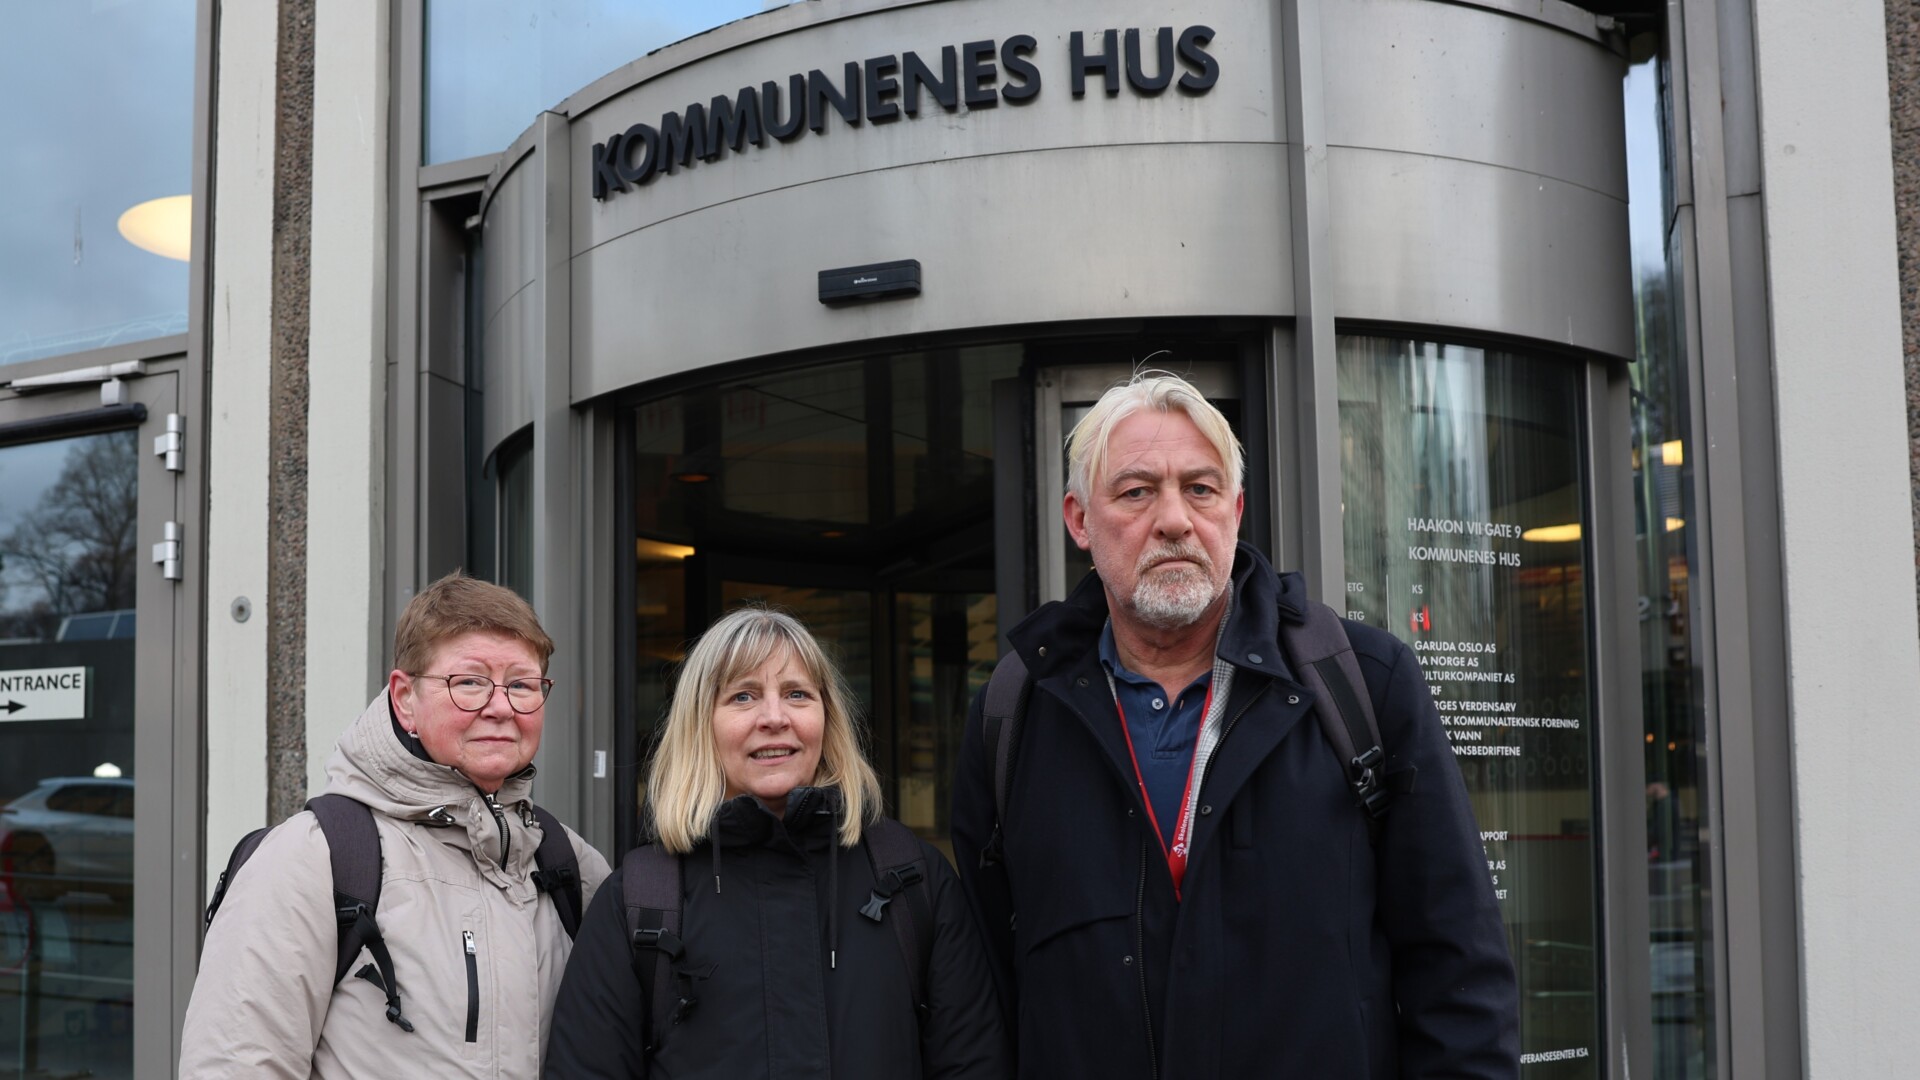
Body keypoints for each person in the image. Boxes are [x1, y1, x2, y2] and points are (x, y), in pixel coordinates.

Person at [951, 372, 1519, 1078]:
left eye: (1200, 488)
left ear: (1236, 509)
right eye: (1136, 491)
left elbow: (1459, 977)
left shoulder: (1364, 684)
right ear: (1078, 520)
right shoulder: (1013, 714)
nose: (1174, 520)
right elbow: (987, 1003)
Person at [179, 572, 612, 1078]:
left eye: (522, 684)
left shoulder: (568, 863)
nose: (500, 707)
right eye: (469, 682)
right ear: (405, 698)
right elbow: (236, 1065)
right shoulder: (316, 858)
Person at [544, 606, 1008, 1078]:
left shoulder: (913, 878)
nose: (774, 717)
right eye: (743, 696)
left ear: (827, 719)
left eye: (796, 694)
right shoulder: (637, 901)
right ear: (700, 725)